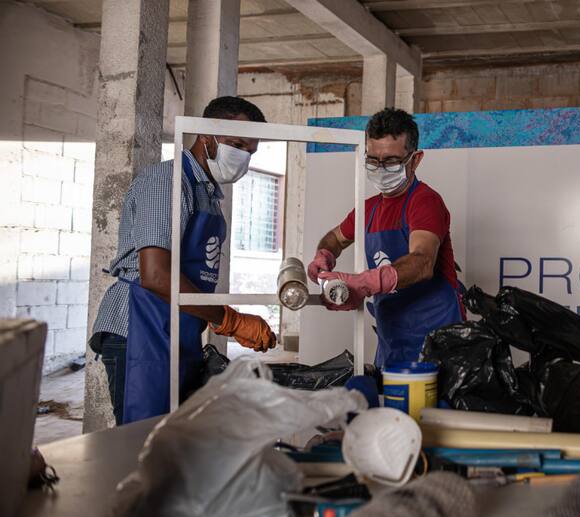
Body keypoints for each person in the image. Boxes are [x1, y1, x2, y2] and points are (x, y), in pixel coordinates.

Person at [89, 96, 277, 425]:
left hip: (178, 330)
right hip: (139, 329)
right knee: (141, 439)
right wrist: (229, 320)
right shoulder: (169, 182)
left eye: (251, 150)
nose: (244, 156)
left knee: (172, 437)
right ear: (206, 135)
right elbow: (157, 276)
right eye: (237, 144)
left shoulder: (209, 195)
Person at [309, 108, 463, 368]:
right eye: (373, 161)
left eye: (391, 162)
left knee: (434, 409)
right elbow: (334, 238)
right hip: (392, 339)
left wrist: (364, 283)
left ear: (415, 160)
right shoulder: (368, 209)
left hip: (439, 342)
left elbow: (423, 262)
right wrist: (324, 255)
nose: (380, 170)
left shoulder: (424, 201)